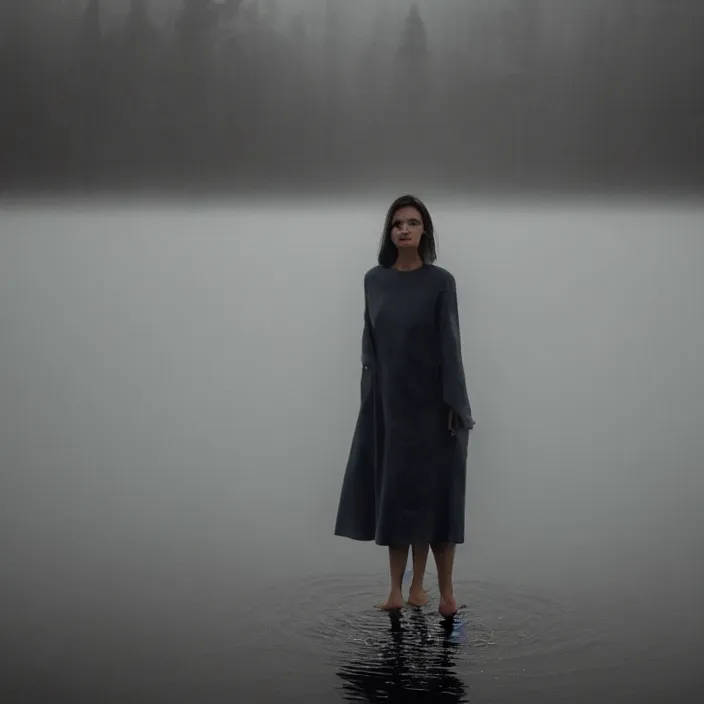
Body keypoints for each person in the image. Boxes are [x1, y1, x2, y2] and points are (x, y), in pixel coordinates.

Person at [334, 194, 475, 619]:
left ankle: (444, 595)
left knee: (437, 500)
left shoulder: (441, 281)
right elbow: (369, 347)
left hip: (434, 408)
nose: (405, 229)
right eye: (398, 223)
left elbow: (450, 344)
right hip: (390, 408)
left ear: (425, 231)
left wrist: (456, 402)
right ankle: (398, 591)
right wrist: (368, 404)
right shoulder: (374, 280)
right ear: (389, 232)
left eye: (413, 222)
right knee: (395, 498)